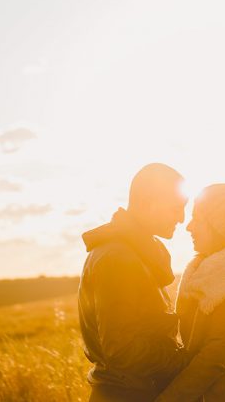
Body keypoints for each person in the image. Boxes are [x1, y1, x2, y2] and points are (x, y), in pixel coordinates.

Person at [78, 163, 189, 402]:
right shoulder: (118, 258)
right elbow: (123, 352)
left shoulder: (136, 253)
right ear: (150, 203)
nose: (182, 218)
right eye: (177, 208)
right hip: (128, 395)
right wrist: (189, 359)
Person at [156, 183, 225, 402]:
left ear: (221, 227)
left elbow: (215, 356)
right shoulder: (210, 276)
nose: (189, 227)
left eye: (197, 219)